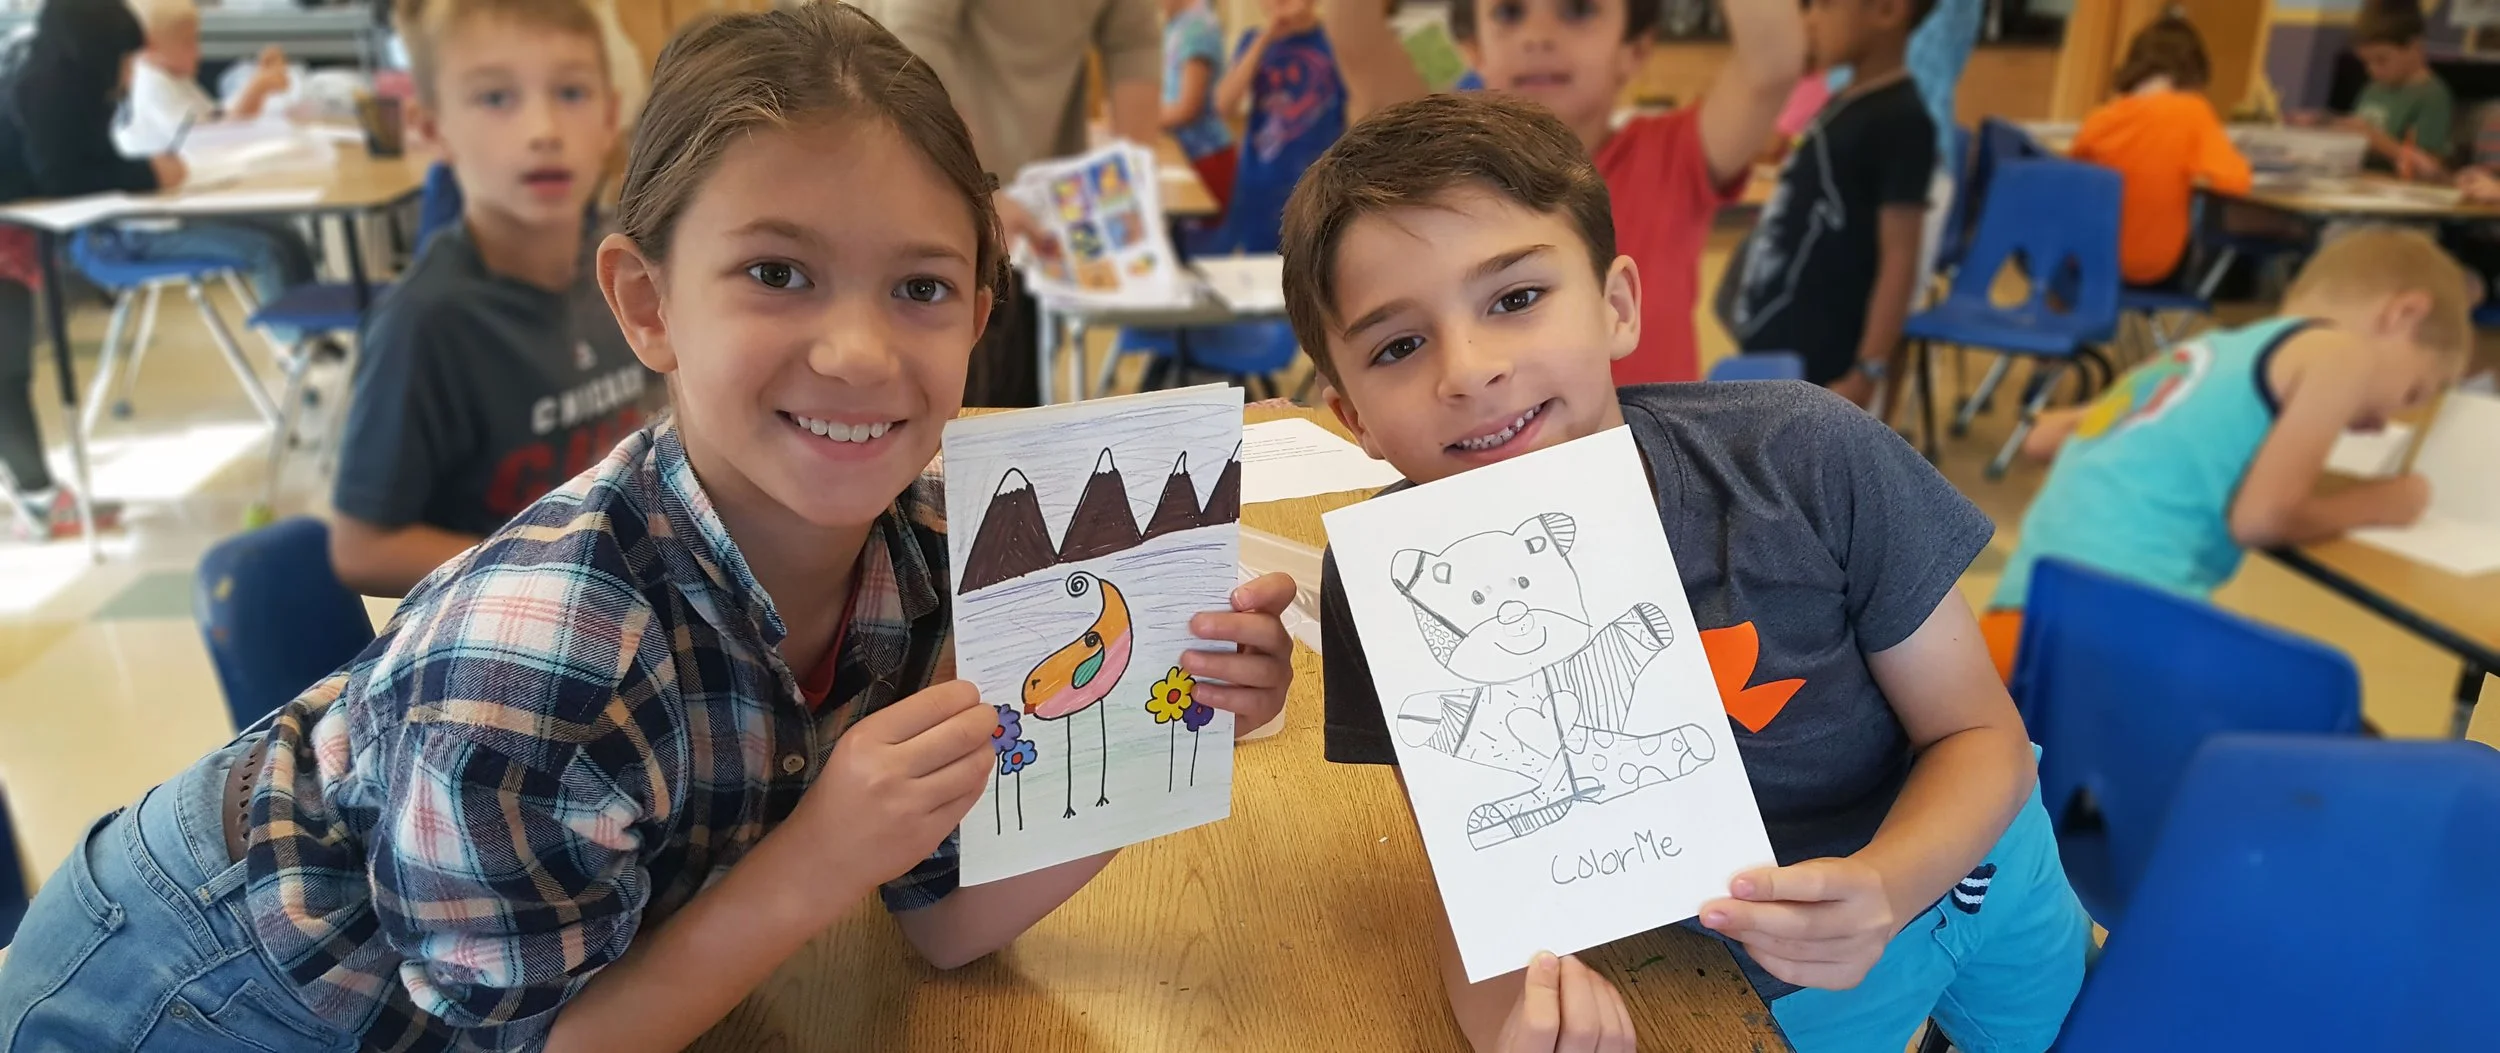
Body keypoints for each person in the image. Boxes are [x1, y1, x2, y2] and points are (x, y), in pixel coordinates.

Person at [0, 4, 1299, 1049]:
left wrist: (1154, 733)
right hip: (187, 991)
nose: (856, 351)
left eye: (920, 286)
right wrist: (820, 852)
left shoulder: (914, 565)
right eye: (777, 273)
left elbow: (946, 923)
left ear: (977, 319)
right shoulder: (536, 660)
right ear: (648, 303)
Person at [1284, 92, 2087, 1053]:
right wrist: (1516, 1027)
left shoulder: (1807, 455)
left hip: (1979, 865)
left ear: (1618, 305)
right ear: (1354, 418)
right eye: (1398, 346)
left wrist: (1887, 884)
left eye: (1516, 297)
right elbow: (1484, 883)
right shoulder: (1386, 594)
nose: (1469, 369)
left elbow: (1978, 733)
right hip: (1762, 973)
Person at [1982, 228, 2471, 680]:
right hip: (2120, 639)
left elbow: (2042, 439)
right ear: (2402, 314)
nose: (2386, 420)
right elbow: (2260, 519)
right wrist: (2383, 503)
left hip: (2016, 624)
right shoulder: (2345, 353)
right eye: (2412, 392)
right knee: (2321, 707)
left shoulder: (2208, 351)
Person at [326, 0, 650, 598]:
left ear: (610, 116)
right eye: (496, 99)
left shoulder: (627, 266)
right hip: (512, 637)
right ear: (431, 129)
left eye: (572, 93)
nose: (543, 131)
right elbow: (361, 549)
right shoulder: (425, 324)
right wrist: (563, 564)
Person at [1324, 0, 1803, 386]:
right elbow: (1355, 35)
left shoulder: (1675, 155)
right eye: (1510, 13)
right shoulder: (1441, 160)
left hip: (1649, 462)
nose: (1539, 36)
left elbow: (1772, 64)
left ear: (1633, 51)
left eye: (1577, 11)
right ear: (1474, 50)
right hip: (1495, 456)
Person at [885, 0, 1163, 408]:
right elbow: (913, 33)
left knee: (1007, 396)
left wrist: (1130, 192)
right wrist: (977, 186)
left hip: (1033, 205)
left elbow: (1134, 43)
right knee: (934, 391)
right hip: (929, 171)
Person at [0, 0, 184, 536]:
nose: (129, 72)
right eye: (124, 58)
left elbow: (79, 164)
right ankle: (37, 495)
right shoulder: (46, 88)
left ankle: (36, 490)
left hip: (12, 236)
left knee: (9, 371)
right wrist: (147, 174)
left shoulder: (61, 79)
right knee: (6, 371)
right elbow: (64, 173)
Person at [1724, 0, 1935, 407]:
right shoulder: (1845, 99)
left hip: (1822, 361)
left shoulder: (1903, 120)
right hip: (1775, 339)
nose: (1810, 20)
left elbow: (1900, 256)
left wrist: (1868, 368)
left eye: (1825, 5)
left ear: (1887, 11)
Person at [98, 0, 318, 310]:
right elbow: (211, 141)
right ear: (150, 49)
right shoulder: (153, 87)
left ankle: (312, 324)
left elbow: (220, 120)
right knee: (266, 250)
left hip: (184, 212)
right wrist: (255, 90)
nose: (198, 51)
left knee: (286, 232)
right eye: (188, 42)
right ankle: (293, 342)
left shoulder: (175, 81)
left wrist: (259, 88)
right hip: (152, 230)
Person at [2068, 16, 2252, 291]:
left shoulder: (2101, 118)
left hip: (2082, 261)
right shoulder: (2192, 113)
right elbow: (2236, 182)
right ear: (2194, 72)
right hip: (2151, 268)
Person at [1210, 0, 1344, 253]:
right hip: (1259, 184)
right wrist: (1265, 38)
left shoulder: (1334, 43)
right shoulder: (1253, 41)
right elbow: (1223, 105)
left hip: (1319, 188)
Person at [2302, 4, 2452, 179]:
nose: (2372, 70)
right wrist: (2327, 123)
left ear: (2414, 47)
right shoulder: (2373, 88)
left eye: (2382, 60)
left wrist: (2375, 140)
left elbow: (2430, 168)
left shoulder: (2432, 96)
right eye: (2366, 62)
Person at [1160, 0, 1235, 216]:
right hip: (1189, 154)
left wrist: (1140, 117)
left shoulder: (1197, 28)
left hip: (1207, 158)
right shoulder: (1178, 23)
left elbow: (1188, 108)